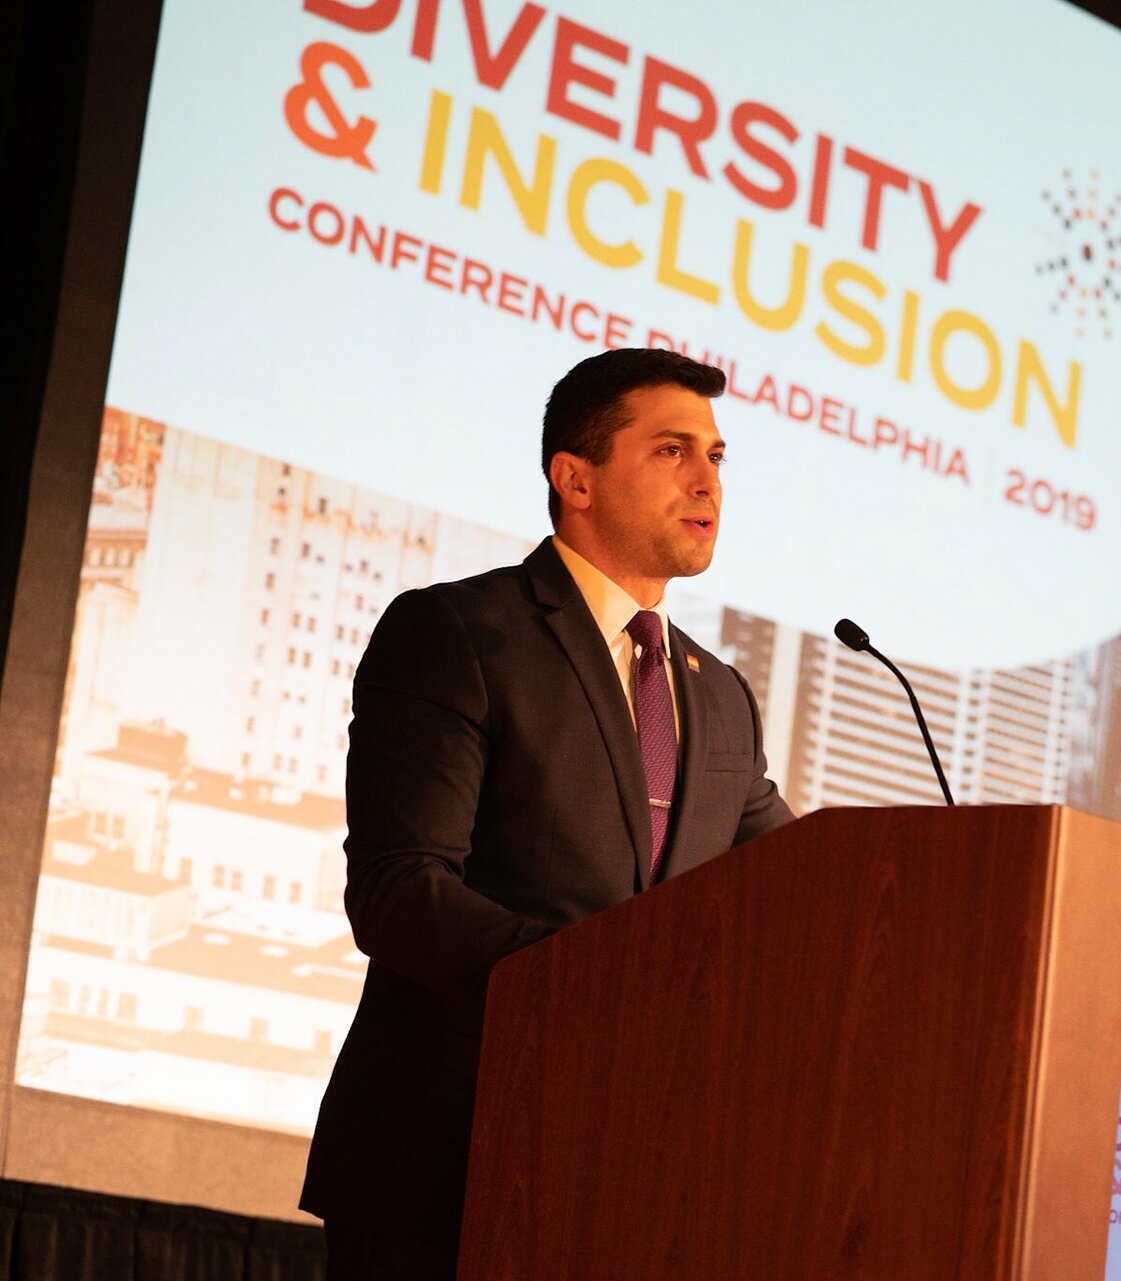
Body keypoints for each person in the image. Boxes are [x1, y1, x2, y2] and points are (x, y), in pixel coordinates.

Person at [299, 349, 794, 1278]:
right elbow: (402, 892)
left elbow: (806, 883)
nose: (708, 480)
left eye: (718, 457)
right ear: (576, 477)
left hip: (642, 1179)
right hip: (451, 1160)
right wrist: (614, 985)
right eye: (674, 451)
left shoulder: (719, 695)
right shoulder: (458, 632)